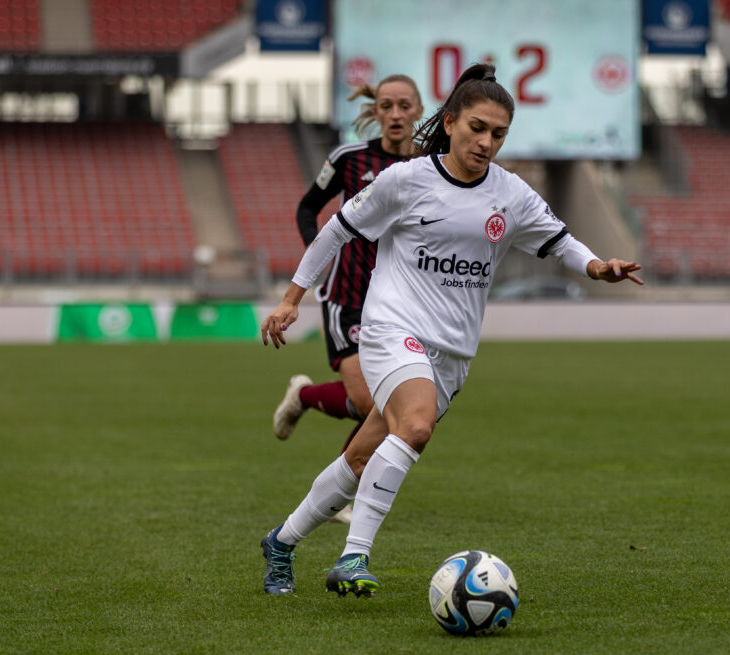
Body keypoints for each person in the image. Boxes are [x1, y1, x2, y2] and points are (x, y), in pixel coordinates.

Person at [258, 63, 644, 597]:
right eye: (477, 128)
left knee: (363, 457)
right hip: (391, 328)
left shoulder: (510, 193)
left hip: (453, 353)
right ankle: (354, 555)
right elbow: (335, 232)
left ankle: (280, 542)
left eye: (499, 134)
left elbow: (560, 241)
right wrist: (291, 298)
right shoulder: (406, 180)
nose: (486, 142)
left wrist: (597, 266)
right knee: (415, 426)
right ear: (450, 123)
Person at [273, 74, 424, 525]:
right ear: (375, 111)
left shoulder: (431, 164)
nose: (395, 114)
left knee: (390, 405)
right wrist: (315, 254)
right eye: (386, 105)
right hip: (348, 294)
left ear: (418, 111)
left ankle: (338, 492)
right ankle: (305, 396)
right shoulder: (349, 158)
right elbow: (308, 207)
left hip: (402, 302)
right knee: (365, 402)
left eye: (404, 106)